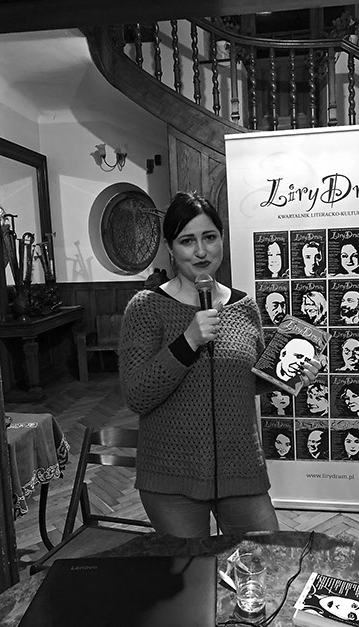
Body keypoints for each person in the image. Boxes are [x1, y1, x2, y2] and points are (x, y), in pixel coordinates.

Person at [119, 191, 321, 538]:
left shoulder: (244, 307)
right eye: (187, 241)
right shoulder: (146, 307)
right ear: (170, 248)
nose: (201, 251)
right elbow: (137, 395)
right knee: (192, 571)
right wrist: (187, 342)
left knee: (265, 561)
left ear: (222, 240)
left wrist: (290, 374)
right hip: (171, 477)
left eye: (209, 237)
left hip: (240, 469)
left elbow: (246, 380)